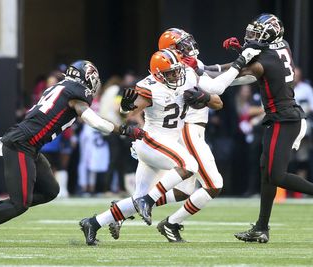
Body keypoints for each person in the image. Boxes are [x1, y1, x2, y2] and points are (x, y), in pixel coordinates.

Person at [79, 45, 261, 245]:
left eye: (176, 70)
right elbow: (127, 111)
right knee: (189, 166)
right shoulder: (149, 87)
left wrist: (206, 98)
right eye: (170, 72)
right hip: (151, 142)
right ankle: (148, 202)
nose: (176, 75)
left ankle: (93, 223)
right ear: (157, 74)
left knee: (138, 198)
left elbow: (218, 103)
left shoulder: (189, 75)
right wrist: (125, 106)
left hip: (167, 143)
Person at [0, 60, 145, 247]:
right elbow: (96, 122)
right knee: (20, 204)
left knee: (50, 191)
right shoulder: (76, 93)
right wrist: (124, 130)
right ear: (88, 78)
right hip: (21, 143)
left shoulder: (60, 87)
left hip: (30, 145)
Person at [218, 14, 313, 243]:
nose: (251, 37)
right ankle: (261, 227)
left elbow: (236, 74)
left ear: (270, 36)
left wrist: (204, 69)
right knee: (265, 172)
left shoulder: (264, 61)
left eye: (258, 34)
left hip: (285, 119)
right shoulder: (282, 46)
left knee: (275, 175)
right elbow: (258, 58)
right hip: (282, 117)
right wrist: (242, 54)